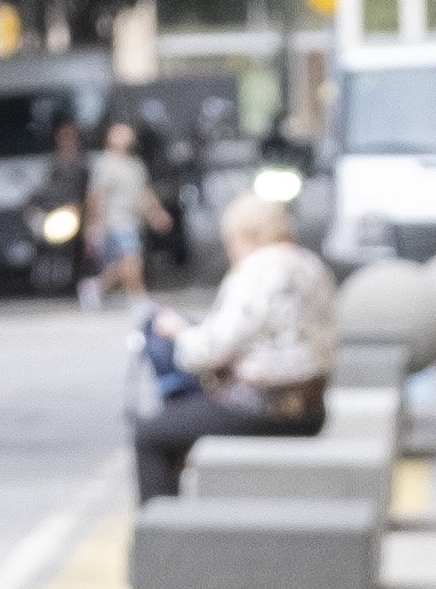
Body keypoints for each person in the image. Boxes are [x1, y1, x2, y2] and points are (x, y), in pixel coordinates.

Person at [127, 187, 337, 498]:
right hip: (313, 409)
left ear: (245, 235)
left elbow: (205, 352)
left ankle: (164, 537)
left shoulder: (256, 270)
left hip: (265, 409)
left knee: (151, 436)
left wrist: (178, 332)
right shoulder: (311, 265)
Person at [78, 122, 159, 310]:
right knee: (132, 258)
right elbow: (95, 196)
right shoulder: (105, 163)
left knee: (123, 264)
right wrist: (92, 223)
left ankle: (94, 286)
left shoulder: (135, 164)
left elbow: (144, 192)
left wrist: (156, 213)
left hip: (133, 219)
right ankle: (138, 298)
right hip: (115, 220)